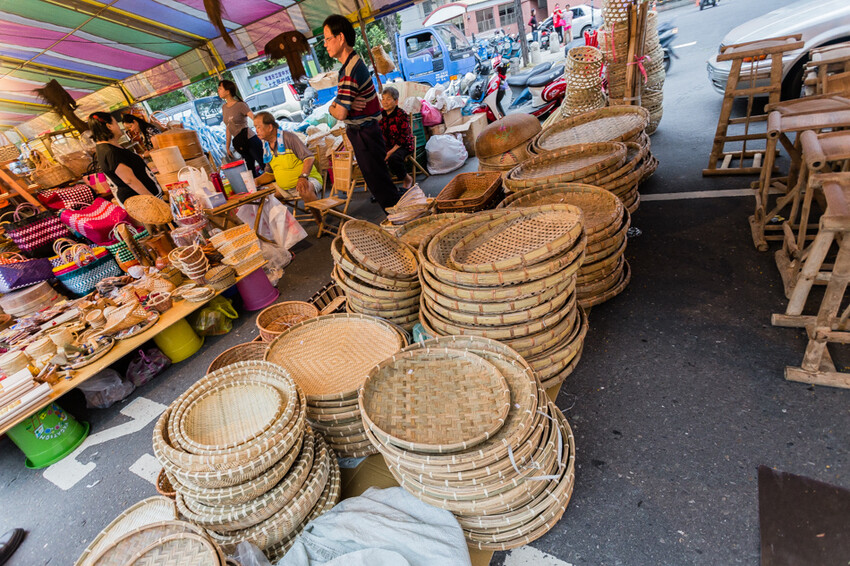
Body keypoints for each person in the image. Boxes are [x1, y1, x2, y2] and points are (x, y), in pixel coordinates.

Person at [323, 14, 402, 211]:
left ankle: (401, 223)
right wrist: (336, 105)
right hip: (364, 134)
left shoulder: (350, 69)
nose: (325, 45)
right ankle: (399, 219)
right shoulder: (350, 66)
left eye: (327, 39)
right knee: (379, 183)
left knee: (380, 185)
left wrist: (333, 107)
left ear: (340, 37)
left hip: (365, 134)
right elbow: (340, 106)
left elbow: (340, 113)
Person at [252, 111, 323, 224]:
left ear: (270, 127)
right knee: (262, 196)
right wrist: (255, 181)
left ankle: (320, 221)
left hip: (308, 179)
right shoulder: (266, 146)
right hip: (284, 188)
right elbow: (270, 174)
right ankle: (282, 229)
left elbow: (309, 158)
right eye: (255, 127)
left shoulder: (289, 138)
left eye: (259, 127)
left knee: (304, 188)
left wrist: (303, 177)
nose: (256, 130)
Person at [90, 111, 163, 205]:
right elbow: (129, 180)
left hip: (146, 199)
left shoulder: (108, 147)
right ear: (109, 126)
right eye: (116, 123)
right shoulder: (110, 152)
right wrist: (154, 201)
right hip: (144, 203)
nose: (120, 127)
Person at [218, 79, 264, 176]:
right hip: (240, 143)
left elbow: (254, 118)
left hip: (250, 139)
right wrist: (227, 146)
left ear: (227, 91)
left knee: (263, 164)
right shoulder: (224, 108)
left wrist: (262, 131)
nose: (218, 90)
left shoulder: (240, 105)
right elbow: (228, 127)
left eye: (220, 88)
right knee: (250, 171)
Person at [380, 86, 414, 190]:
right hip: (387, 146)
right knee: (374, 159)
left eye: (388, 99)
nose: (385, 102)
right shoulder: (381, 115)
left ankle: (407, 179)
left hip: (403, 146)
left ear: (396, 101)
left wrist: (389, 153)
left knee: (393, 159)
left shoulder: (401, 114)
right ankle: (385, 189)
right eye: (383, 99)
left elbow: (403, 137)